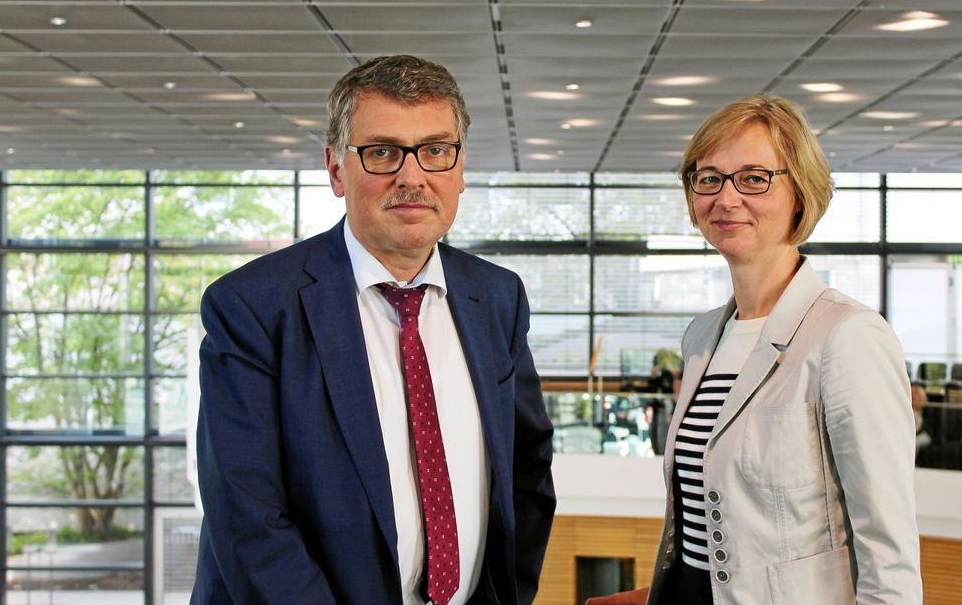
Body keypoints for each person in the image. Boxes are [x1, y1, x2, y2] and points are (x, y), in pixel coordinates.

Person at [193, 55, 556, 604]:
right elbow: (247, 515)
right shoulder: (253, 307)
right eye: (383, 152)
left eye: (435, 150)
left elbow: (527, 472)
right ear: (337, 170)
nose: (412, 177)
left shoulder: (497, 298)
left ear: (459, 169)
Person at [596, 95, 921, 604]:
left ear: (800, 193)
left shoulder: (847, 335)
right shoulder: (704, 336)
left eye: (753, 178)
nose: (726, 198)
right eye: (709, 178)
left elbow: (889, 548)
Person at [912, 383, 932, 462]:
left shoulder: (929, 410)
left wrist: (917, 432)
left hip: (924, 434)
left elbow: (928, 427)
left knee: (915, 443)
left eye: (918, 397)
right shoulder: (909, 411)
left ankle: (913, 464)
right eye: (914, 397)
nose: (915, 399)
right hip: (912, 434)